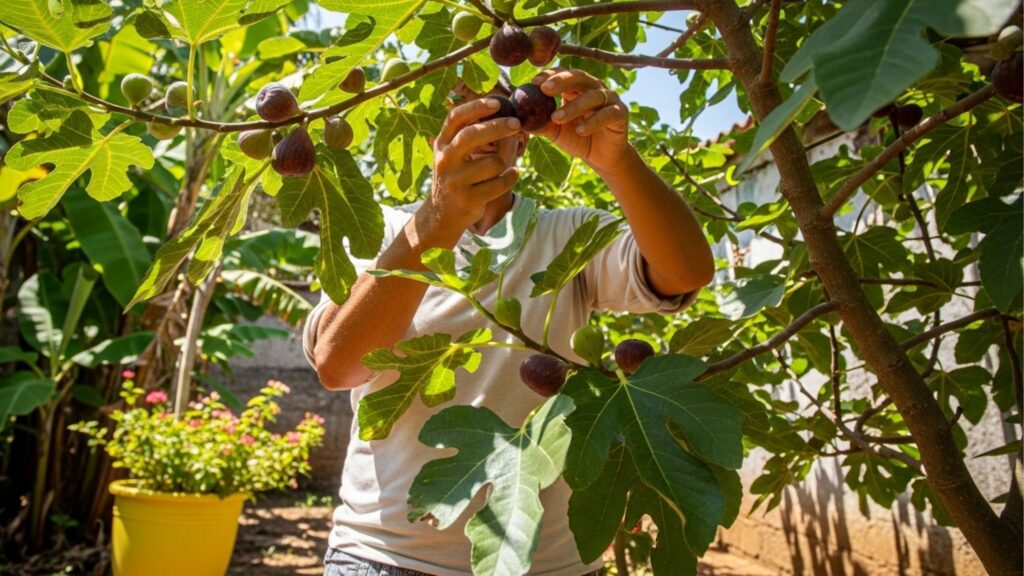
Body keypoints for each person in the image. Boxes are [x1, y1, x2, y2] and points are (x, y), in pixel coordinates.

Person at [303, 68, 715, 576]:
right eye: (463, 112)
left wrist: (617, 160)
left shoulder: (569, 233)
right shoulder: (382, 233)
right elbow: (337, 366)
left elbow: (687, 272)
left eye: (497, 112)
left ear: (522, 139)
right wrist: (436, 221)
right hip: (384, 555)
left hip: (548, 564)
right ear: (438, 136)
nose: (481, 129)